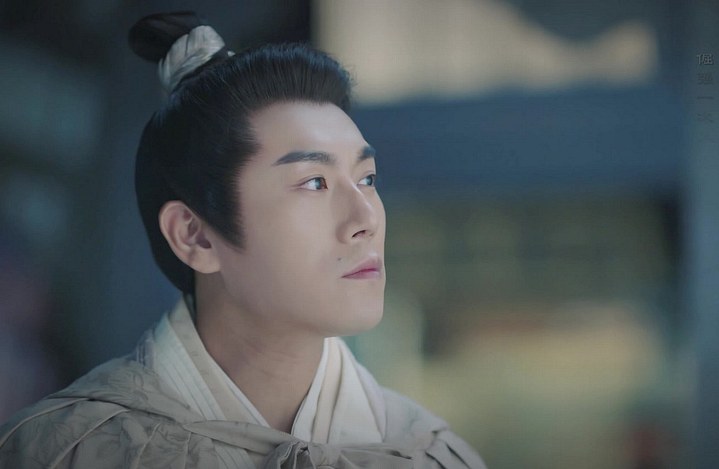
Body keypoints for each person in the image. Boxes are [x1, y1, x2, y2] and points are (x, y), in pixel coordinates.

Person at [0, 11, 486, 469]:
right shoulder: (62, 450)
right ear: (194, 236)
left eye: (367, 179)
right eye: (315, 182)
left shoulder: (430, 455)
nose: (366, 219)